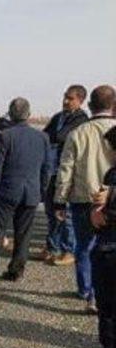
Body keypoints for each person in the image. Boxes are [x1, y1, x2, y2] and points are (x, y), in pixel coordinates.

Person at [0, 97, 50, 283]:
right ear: (28, 115)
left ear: (10, 114)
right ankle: (16, 270)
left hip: (6, 192)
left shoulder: (4, 136)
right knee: (23, 234)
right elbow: (46, 168)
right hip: (31, 192)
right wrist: (41, 191)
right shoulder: (42, 137)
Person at [54, 84, 116, 312]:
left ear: (89, 105)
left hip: (84, 198)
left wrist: (59, 200)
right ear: (113, 105)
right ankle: (103, 294)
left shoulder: (78, 133)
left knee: (84, 246)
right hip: (112, 198)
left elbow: (66, 169)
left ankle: (87, 289)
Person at [41, 85, 88, 264]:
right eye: (65, 97)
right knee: (51, 211)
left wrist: (51, 139)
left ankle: (69, 250)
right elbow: (45, 135)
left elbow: (61, 136)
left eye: (70, 98)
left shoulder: (80, 120)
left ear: (80, 101)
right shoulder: (58, 117)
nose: (65, 101)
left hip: (67, 171)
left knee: (65, 214)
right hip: (52, 170)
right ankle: (52, 247)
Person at [88, 125, 116, 348]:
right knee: (106, 305)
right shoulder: (111, 174)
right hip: (106, 245)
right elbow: (99, 209)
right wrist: (96, 212)